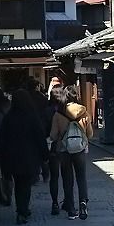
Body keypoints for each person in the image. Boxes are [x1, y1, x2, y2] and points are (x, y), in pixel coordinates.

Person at [0, 89, 48, 224]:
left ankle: (21, 209)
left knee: (18, 183)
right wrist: (45, 155)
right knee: (26, 184)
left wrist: (2, 158)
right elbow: (40, 137)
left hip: (12, 158)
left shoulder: (8, 118)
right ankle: (22, 210)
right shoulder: (32, 117)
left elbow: (2, 140)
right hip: (29, 157)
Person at [50, 86, 93, 220]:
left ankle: (71, 209)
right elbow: (90, 134)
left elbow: (53, 135)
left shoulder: (59, 113)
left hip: (64, 150)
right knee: (81, 176)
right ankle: (83, 202)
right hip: (80, 149)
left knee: (67, 178)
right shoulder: (84, 112)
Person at [44, 85, 66, 214]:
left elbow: (44, 129)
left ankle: (55, 203)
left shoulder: (47, 110)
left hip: (53, 145)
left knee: (54, 176)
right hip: (65, 146)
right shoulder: (66, 109)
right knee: (67, 175)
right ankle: (67, 201)